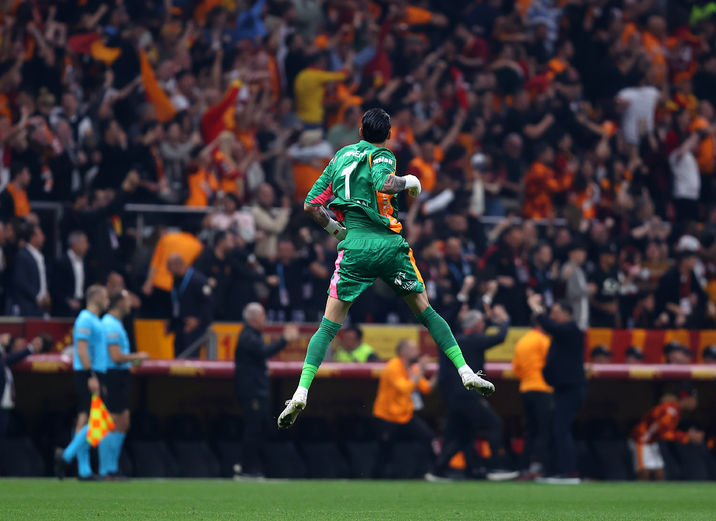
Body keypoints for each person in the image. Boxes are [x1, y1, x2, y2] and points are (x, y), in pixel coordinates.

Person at [278, 108, 493, 429]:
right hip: (389, 246)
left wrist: (337, 232)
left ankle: (300, 391)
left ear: (360, 130)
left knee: (328, 327)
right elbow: (386, 183)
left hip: (354, 247)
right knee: (427, 313)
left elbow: (311, 204)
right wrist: (411, 181)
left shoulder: (339, 157)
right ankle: (465, 371)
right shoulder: (382, 155)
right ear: (389, 134)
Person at [429, 303, 514, 481]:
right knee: (494, 424)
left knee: (463, 436)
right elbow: (500, 337)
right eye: (482, 323)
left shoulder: (458, 339)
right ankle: (494, 467)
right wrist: (505, 320)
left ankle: (438, 470)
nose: (484, 326)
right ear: (476, 325)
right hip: (466, 395)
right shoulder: (473, 340)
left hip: (454, 396)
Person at [234, 302, 298, 478]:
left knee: (261, 428)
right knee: (253, 430)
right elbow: (263, 352)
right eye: (263, 316)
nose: (265, 319)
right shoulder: (248, 336)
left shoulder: (253, 334)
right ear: (254, 319)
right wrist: (284, 339)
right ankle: (246, 468)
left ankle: (251, 466)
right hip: (252, 391)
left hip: (258, 390)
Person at [527, 294, 585, 483]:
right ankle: (555, 471)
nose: (552, 316)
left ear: (567, 314)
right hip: (561, 388)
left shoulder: (571, 329)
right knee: (555, 429)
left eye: (555, 312)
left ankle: (569, 472)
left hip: (571, 389)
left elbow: (550, 326)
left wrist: (536, 308)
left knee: (561, 429)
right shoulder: (563, 331)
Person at [55, 284, 110, 481]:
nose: (107, 301)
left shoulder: (95, 320)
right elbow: (81, 349)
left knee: (85, 419)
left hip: (95, 372)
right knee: (97, 420)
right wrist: (91, 375)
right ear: (96, 297)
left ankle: (84, 470)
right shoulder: (85, 319)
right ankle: (66, 456)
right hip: (88, 373)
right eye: (105, 297)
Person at [98, 290, 149, 478]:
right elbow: (116, 356)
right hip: (112, 375)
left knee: (123, 421)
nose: (130, 304)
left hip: (120, 374)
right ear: (119, 302)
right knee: (112, 422)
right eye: (127, 300)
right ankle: (106, 469)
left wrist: (133, 360)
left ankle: (111, 467)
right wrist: (138, 356)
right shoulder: (110, 324)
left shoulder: (116, 323)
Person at [371, 339, 436, 479]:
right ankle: (376, 478)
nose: (417, 352)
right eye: (413, 349)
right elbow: (404, 388)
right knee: (385, 450)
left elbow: (426, 388)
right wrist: (421, 371)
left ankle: (424, 473)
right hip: (387, 417)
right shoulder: (393, 366)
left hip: (405, 416)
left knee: (427, 437)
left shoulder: (413, 368)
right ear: (404, 352)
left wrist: (440, 373)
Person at [630, 384, 703, 481]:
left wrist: (687, 437)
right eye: (693, 399)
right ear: (685, 398)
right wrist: (687, 436)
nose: (695, 402)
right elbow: (663, 433)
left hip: (652, 441)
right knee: (644, 473)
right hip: (641, 439)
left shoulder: (675, 410)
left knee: (660, 474)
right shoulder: (670, 410)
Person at [511, 321, 553, 479]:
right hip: (543, 388)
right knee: (545, 430)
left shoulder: (522, 341)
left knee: (530, 432)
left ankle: (524, 466)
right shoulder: (543, 340)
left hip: (526, 389)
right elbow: (552, 363)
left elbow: (516, 369)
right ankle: (544, 467)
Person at [167, 254, 212, 358]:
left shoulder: (198, 280)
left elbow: (209, 303)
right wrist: (171, 320)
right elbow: (176, 301)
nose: (168, 271)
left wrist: (198, 320)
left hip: (194, 328)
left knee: (191, 359)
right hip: (180, 326)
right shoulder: (176, 279)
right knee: (178, 358)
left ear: (177, 265)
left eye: (169, 267)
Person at [0, 333, 36, 439]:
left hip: (5, 406)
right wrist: (1, 344)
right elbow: (13, 357)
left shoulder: (5, 362)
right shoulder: (3, 360)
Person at [10, 222, 49, 318]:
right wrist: (36, 296)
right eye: (40, 234)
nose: (43, 237)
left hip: (40, 306)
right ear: (33, 237)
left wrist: (45, 292)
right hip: (28, 306)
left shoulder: (40, 256)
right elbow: (20, 280)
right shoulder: (23, 255)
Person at [52, 231, 89, 317]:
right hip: (64, 309)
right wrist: (68, 301)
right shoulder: (61, 262)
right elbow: (55, 287)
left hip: (81, 307)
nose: (87, 246)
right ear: (74, 245)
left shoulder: (86, 262)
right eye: (84, 242)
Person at [560, 241, 590, 330]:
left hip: (583, 317)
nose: (583, 255)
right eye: (580, 252)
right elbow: (571, 293)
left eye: (584, 252)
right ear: (571, 254)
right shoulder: (568, 268)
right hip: (574, 317)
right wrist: (588, 290)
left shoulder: (580, 270)